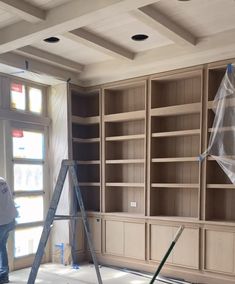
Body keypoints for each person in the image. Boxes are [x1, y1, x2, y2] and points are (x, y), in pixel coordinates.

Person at [0, 177, 17, 284]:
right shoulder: (2, 180)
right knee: (1, 246)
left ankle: (3, 275)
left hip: (1, 222)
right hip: (9, 220)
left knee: (1, 246)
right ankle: (4, 275)